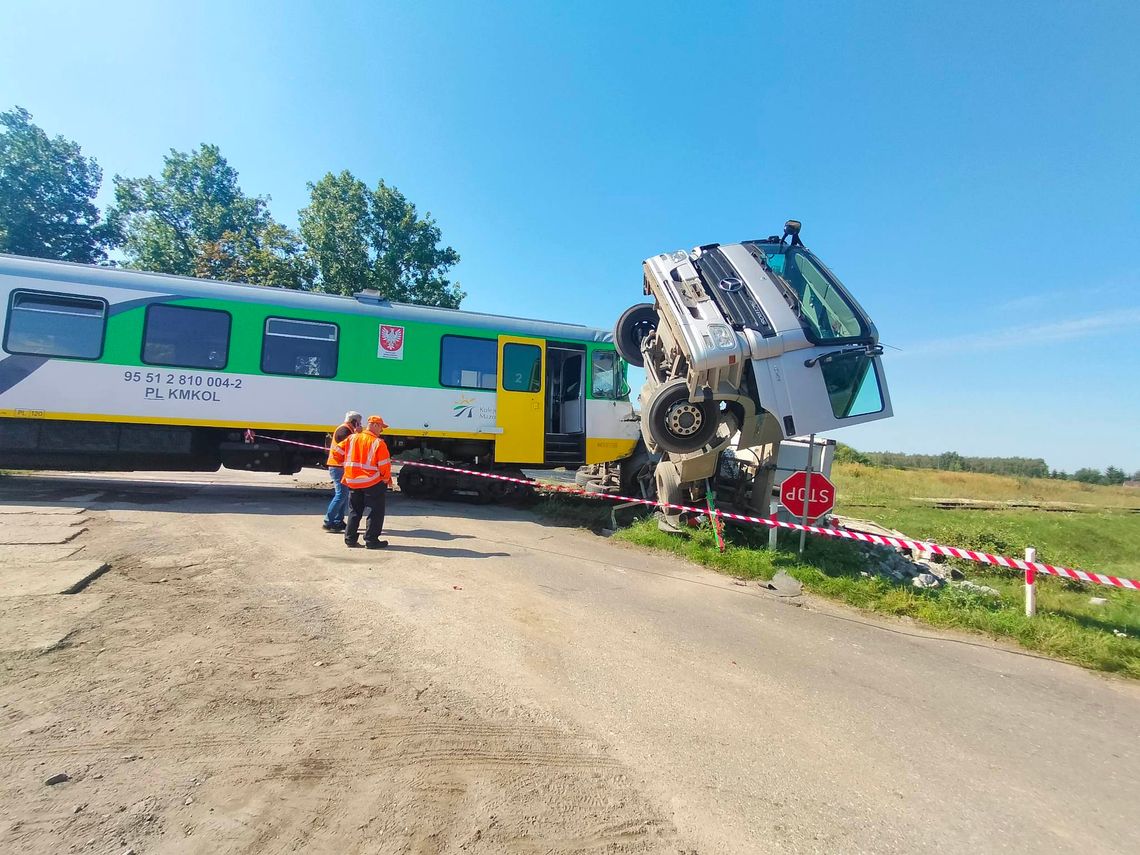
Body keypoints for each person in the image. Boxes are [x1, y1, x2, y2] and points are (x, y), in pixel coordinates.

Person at [330, 414, 392, 549]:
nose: (381, 431)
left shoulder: (352, 438)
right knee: (375, 511)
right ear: (374, 425)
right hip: (372, 481)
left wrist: (346, 464)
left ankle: (350, 539)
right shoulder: (378, 443)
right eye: (381, 427)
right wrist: (385, 479)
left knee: (354, 510)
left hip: (352, 481)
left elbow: (335, 452)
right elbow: (384, 466)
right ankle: (371, 540)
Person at [322, 411, 362, 532]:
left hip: (340, 466)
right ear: (354, 421)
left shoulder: (345, 429)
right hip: (337, 466)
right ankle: (328, 521)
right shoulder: (345, 431)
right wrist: (357, 434)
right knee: (341, 494)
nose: (360, 425)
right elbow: (349, 446)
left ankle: (338, 520)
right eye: (359, 422)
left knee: (343, 495)